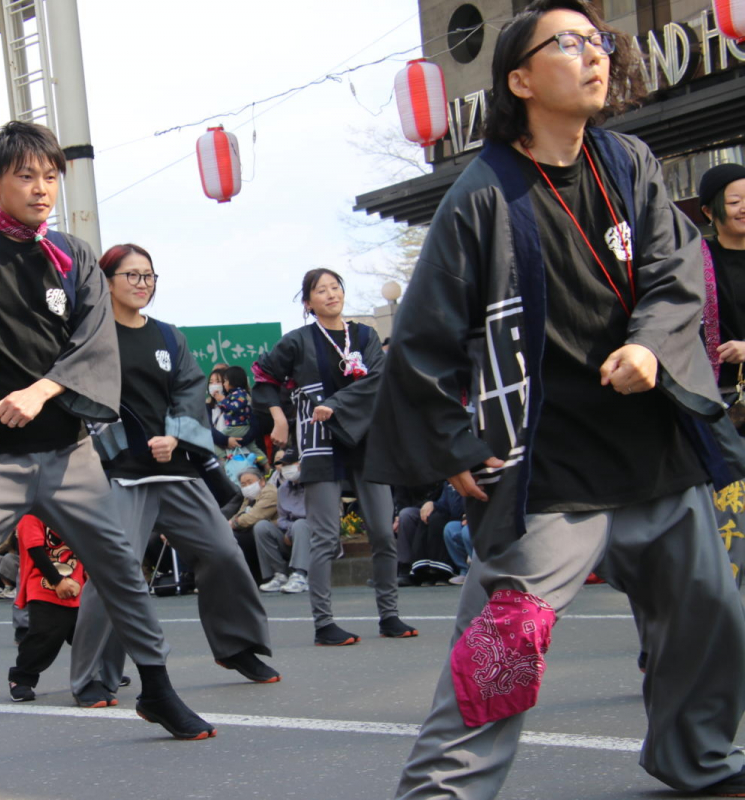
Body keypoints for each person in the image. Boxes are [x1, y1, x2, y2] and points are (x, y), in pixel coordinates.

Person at [364, 3, 745, 796]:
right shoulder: (482, 196)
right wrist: (456, 447)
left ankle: (697, 758)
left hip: (654, 453)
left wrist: (649, 345)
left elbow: (677, 273)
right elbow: (424, 340)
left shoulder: (629, 161)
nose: (594, 54)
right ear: (520, 79)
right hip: (550, 472)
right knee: (504, 647)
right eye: (568, 43)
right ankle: (442, 790)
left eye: (598, 41)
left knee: (709, 618)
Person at [0, 121, 215, 790]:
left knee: (120, 570)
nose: (41, 188)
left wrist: (40, 391)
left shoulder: (71, 255)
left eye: (50, 176)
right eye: (26, 176)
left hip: (69, 451)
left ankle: (155, 687)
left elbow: (94, 342)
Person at [71, 243, 279, 708]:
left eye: (149, 275)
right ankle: (94, 676)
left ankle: (236, 646)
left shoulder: (169, 336)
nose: (142, 283)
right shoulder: (90, 336)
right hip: (121, 475)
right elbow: (80, 398)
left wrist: (175, 437)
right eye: (131, 275)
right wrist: (120, 442)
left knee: (223, 552)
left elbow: (189, 391)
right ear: (107, 282)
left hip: (177, 469)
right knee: (114, 571)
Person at [253, 268, 417, 645]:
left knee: (383, 532)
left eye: (335, 287)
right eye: (320, 290)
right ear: (308, 303)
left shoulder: (365, 335)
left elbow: (378, 378)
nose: (330, 294)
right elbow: (262, 376)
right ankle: (324, 624)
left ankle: (389, 615)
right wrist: (279, 417)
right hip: (319, 441)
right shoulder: (298, 341)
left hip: (367, 439)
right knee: (325, 536)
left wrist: (336, 403)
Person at [8, 515, 84, 701]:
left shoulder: (74, 509)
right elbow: (34, 549)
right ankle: (21, 678)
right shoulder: (33, 512)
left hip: (78, 584)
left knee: (88, 635)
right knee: (43, 635)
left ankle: (103, 673)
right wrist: (56, 580)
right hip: (44, 584)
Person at [699, 163, 745, 401]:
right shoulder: (694, 259)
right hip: (717, 397)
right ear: (709, 212)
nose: (744, 208)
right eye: (734, 202)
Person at [253, 455, 312, 593]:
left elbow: (315, 517)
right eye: (284, 465)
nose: (286, 468)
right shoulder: (283, 489)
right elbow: (282, 519)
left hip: (312, 536)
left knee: (300, 524)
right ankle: (280, 575)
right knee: (261, 527)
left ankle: (300, 575)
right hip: (290, 536)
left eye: (290, 464)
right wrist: (289, 531)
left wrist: (291, 531)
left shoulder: (314, 486)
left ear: (300, 464)